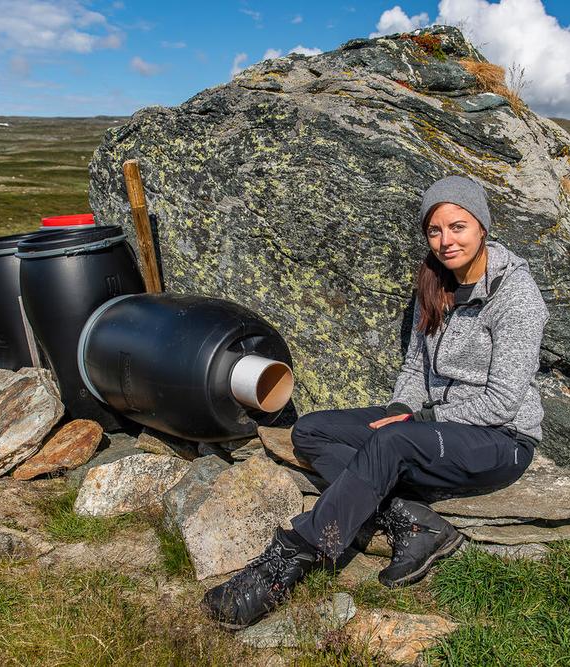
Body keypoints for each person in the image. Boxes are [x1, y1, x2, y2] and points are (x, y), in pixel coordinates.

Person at [203, 175, 549, 630]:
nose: (446, 241)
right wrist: (397, 410)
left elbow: (502, 403)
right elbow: (414, 370)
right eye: (435, 230)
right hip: (434, 425)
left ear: (483, 226)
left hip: (501, 439)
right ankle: (411, 522)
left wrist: (415, 422)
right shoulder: (436, 283)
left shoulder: (517, 298)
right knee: (311, 430)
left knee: (393, 443)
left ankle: (291, 559)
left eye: (458, 227)